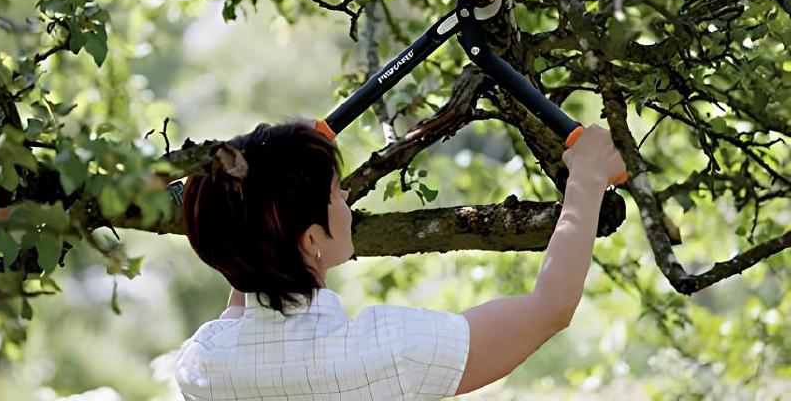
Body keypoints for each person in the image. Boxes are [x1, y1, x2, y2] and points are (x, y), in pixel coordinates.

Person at [173, 120, 627, 400]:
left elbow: (243, 287)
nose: (347, 195)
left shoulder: (203, 362)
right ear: (312, 238)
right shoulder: (385, 352)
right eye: (335, 191)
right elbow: (549, 309)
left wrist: (277, 170)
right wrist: (585, 179)